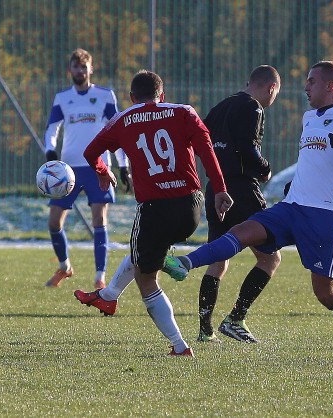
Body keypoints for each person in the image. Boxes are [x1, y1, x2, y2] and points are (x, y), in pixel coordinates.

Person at [164, 61, 333, 350]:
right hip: (292, 207)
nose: (305, 86)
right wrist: (298, 184)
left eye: (312, 81)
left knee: (325, 292)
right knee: (242, 231)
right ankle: (184, 263)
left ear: (330, 86)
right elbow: (313, 161)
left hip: (325, 215)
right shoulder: (308, 117)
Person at [71, 66, 282, 346]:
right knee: (148, 248)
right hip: (191, 206)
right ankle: (111, 295)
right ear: (163, 95)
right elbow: (206, 148)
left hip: (155, 206)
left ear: (132, 97)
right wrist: (221, 188)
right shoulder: (184, 111)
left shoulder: (124, 118)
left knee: (149, 271)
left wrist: (102, 172)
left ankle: (183, 334)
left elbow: (90, 152)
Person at [197, 65, 281, 344]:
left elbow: (200, 140)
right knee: (270, 257)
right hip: (242, 190)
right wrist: (265, 169)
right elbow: (248, 147)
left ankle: (205, 330)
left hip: (216, 188)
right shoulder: (254, 107)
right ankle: (235, 318)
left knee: (218, 259)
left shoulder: (221, 106)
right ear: (271, 88)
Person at [43, 48, 131, 290]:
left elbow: (117, 131)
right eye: (76, 66)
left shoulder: (104, 96)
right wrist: (50, 153)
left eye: (84, 66)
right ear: (69, 70)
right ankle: (64, 267)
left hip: (98, 167)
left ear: (91, 69)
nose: (80, 71)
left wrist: (124, 165)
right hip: (68, 170)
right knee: (54, 222)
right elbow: (51, 130)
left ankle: (100, 277)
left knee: (99, 220)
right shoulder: (62, 98)